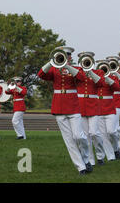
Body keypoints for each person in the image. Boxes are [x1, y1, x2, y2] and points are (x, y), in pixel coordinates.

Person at [38, 46, 92, 175]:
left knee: (79, 136)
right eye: (61, 55)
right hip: (59, 107)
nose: (64, 57)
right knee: (69, 140)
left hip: (73, 107)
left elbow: (82, 78)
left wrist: (67, 66)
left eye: (67, 55)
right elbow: (41, 74)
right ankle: (81, 167)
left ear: (70, 57)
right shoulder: (54, 70)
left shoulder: (76, 69)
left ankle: (86, 159)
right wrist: (51, 62)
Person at [75, 52, 109, 166]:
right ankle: (90, 160)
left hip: (93, 105)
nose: (85, 62)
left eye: (87, 60)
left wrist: (89, 71)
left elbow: (101, 83)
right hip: (81, 105)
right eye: (83, 60)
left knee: (94, 133)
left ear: (92, 60)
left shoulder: (98, 72)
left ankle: (100, 155)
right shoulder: (77, 72)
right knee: (85, 136)